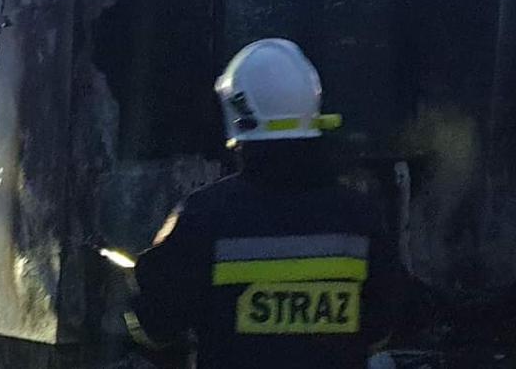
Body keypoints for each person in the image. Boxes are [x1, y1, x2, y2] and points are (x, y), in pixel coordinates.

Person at [126, 38, 404, 369]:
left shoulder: (204, 216)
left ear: (238, 114)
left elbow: (154, 328)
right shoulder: (359, 218)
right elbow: (383, 327)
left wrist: (139, 281)